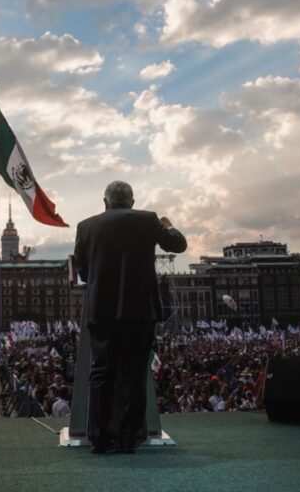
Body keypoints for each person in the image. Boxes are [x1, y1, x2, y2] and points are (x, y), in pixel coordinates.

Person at [73, 180, 186, 454]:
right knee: (135, 375)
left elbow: (84, 273)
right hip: (140, 311)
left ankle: (100, 439)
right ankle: (128, 440)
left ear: (105, 202)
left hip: (102, 311)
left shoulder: (86, 226)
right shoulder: (148, 220)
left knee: (101, 373)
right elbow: (179, 245)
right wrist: (168, 225)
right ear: (132, 202)